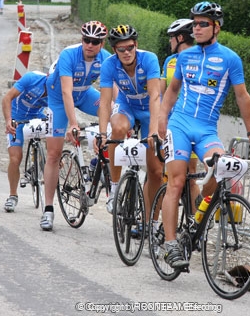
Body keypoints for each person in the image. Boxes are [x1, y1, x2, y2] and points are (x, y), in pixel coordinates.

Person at [158, 2, 250, 269]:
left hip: (206, 129)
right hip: (179, 125)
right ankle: (170, 244)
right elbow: (172, 91)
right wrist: (161, 119)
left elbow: (242, 96)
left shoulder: (230, 59)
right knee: (176, 181)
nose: (197, 28)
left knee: (220, 170)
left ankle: (197, 217)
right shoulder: (185, 57)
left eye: (203, 24)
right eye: (194, 23)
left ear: (216, 27)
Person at [41, 21, 111, 231]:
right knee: (54, 153)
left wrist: (122, 117)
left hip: (84, 93)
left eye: (95, 42)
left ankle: (97, 164)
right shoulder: (69, 55)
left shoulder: (106, 58)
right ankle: (48, 209)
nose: (89, 44)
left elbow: (113, 93)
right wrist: (73, 124)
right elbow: (66, 92)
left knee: (114, 114)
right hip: (59, 98)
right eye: (86, 40)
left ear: (102, 43)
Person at [97, 25, 163, 217]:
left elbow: (155, 96)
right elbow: (105, 101)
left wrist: (153, 130)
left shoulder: (149, 59)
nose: (126, 52)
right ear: (114, 50)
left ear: (136, 45)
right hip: (127, 104)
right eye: (121, 49)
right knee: (117, 129)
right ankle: (114, 188)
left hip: (149, 108)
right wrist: (103, 133)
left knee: (156, 171)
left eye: (130, 47)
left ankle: (152, 221)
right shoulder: (109, 64)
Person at [160, 18, 201, 213]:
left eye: (172, 37)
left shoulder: (200, 59)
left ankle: (196, 222)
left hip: (192, 122)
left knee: (191, 176)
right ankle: (158, 222)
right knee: (168, 177)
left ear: (181, 38)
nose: (170, 41)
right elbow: (162, 93)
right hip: (171, 124)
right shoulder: (169, 61)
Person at [1, 71, 49, 212]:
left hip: (37, 115)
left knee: (53, 135)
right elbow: (7, 98)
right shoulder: (32, 78)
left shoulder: (59, 89)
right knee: (15, 159)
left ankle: (41, 162)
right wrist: (8, 120)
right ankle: (12, 195)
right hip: (17, 117)